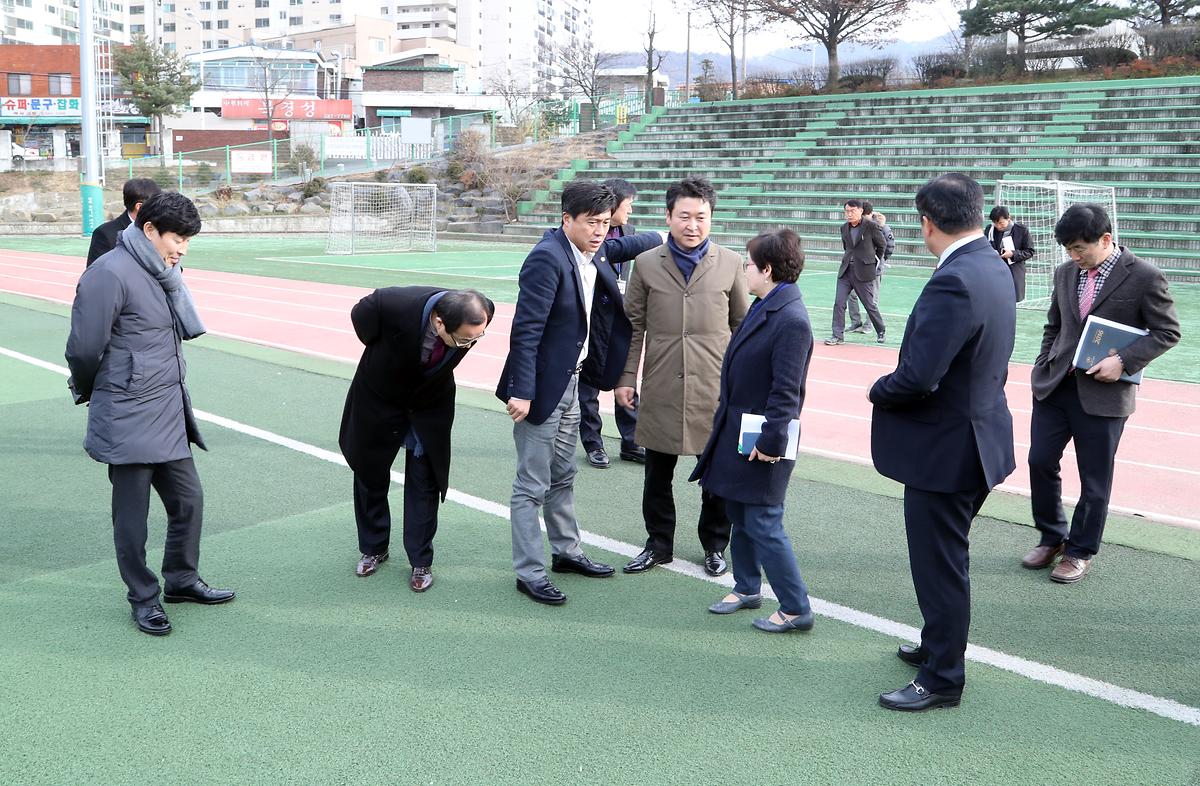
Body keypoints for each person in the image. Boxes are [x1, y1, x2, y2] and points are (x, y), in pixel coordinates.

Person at [869, 173, 1016, 711]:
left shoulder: (955, 278)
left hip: (950, 450)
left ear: (927, 222)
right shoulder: (992, 265)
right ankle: (936, 647)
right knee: (944, 560)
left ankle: (943, 678)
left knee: (940, 566)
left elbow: (917, 378)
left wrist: (877, 390)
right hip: (976, 438)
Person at [65, 191, 234, 636]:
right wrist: (91, 391)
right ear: (149, 230)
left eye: (188, 241)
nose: (181, 249)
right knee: (132, 518)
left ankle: (181, 579)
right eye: (176, 238)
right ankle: (144, 598)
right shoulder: (109, 273)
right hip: (127, 411)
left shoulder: (162, 271)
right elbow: (84, 349)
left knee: (188, 501)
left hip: (166, 408)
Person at [496, 180, 665, 605]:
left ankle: (566, 552)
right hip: (541, 390)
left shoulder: (598, 252)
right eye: (591, 223)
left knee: (564, 474)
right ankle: (529, 572)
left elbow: (636, 243)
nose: (599, 231)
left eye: (606, 224)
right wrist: (522, 390)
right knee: (531, 484)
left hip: (575, 382)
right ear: (566, 219)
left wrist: (676, 230)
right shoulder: (546, 259)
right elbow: (526, 330)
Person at [1023, 203, 1180, 583]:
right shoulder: (1065, 273)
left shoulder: (1145, 276)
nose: (1074, 257)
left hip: (1105, 395)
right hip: (1056, 385)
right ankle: (1052, 536)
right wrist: (1045, 361)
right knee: (1039, 461)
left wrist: (1124, 361)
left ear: (1106, 239)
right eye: (1068, 250)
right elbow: (1055, 325)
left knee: (1095, 479)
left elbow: (1167, 332)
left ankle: (1079, 551)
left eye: (1080, 249)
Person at [615, 175, 748, 578]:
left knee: (716, 475)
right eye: (684, 216)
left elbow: (741, 326)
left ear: (712, 218)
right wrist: (626, 378)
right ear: (668, 216)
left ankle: (713, 544)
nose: (693, 225)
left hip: (714, 388)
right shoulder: (647, 263)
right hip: (661, 385)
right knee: (657, 473)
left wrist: (743, 385)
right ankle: (658, 544)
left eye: (701, 217)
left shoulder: (729, 262)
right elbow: (633, 326)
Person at [691, 229, 815, 633]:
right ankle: (746, 587)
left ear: (767, 268)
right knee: (740, 513)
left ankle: (796, 607)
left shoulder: (791, 320)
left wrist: (771, 442)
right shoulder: (768, 304)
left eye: (749, 263)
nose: (744, 269)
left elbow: (787, 391)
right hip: (741, 432)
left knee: (763, 521)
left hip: (764, 439)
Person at [339, 287, 495, 593]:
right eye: (464, 339)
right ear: (438, 322)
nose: (470, 344)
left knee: (425, 480)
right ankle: (373, 548)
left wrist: (465, 339)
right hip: (380, 397)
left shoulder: (480, 313)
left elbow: (468, 335)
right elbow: (361, 318)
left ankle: (421, 560)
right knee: (370, 473)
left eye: (477, 337)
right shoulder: (391, 304)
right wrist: (382, 351)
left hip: (429, 401)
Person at [577, 177, 644, 468]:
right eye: (628, 205)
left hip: (620, 315)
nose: (630, 210)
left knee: (625, 378)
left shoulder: (629, 230)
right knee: (588, 384)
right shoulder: (590, 231)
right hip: (592, 317)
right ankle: (594, 444)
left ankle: (632, 441)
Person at [826, 198, 886, 346]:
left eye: (852, 211)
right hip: (846, 271)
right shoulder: (844, 228)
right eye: (847, 211)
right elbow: (847, 247)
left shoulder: (871, 226)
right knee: (839, 303)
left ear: (860, 211)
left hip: (864, 271)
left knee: (869, 304)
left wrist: (872, 261)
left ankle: (881, 331)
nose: (849, 214)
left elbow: (882, 245)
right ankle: (837, 335)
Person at [86, 178, 162, 267]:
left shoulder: (161, 229)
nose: (159, 209)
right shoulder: (105, 234)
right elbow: (95, 273)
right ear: (139, 207)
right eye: (156, 205)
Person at [986, 206, 1035, 302]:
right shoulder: (990, 230)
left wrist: (1013, 254)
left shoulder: (1021, 230)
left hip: (1013, 272)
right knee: (994, 300)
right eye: (995, 223)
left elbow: (1030, 251)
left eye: (1001, 223)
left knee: (1011, 301)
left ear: (1009, 218)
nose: (998, 226)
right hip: (994, 271)